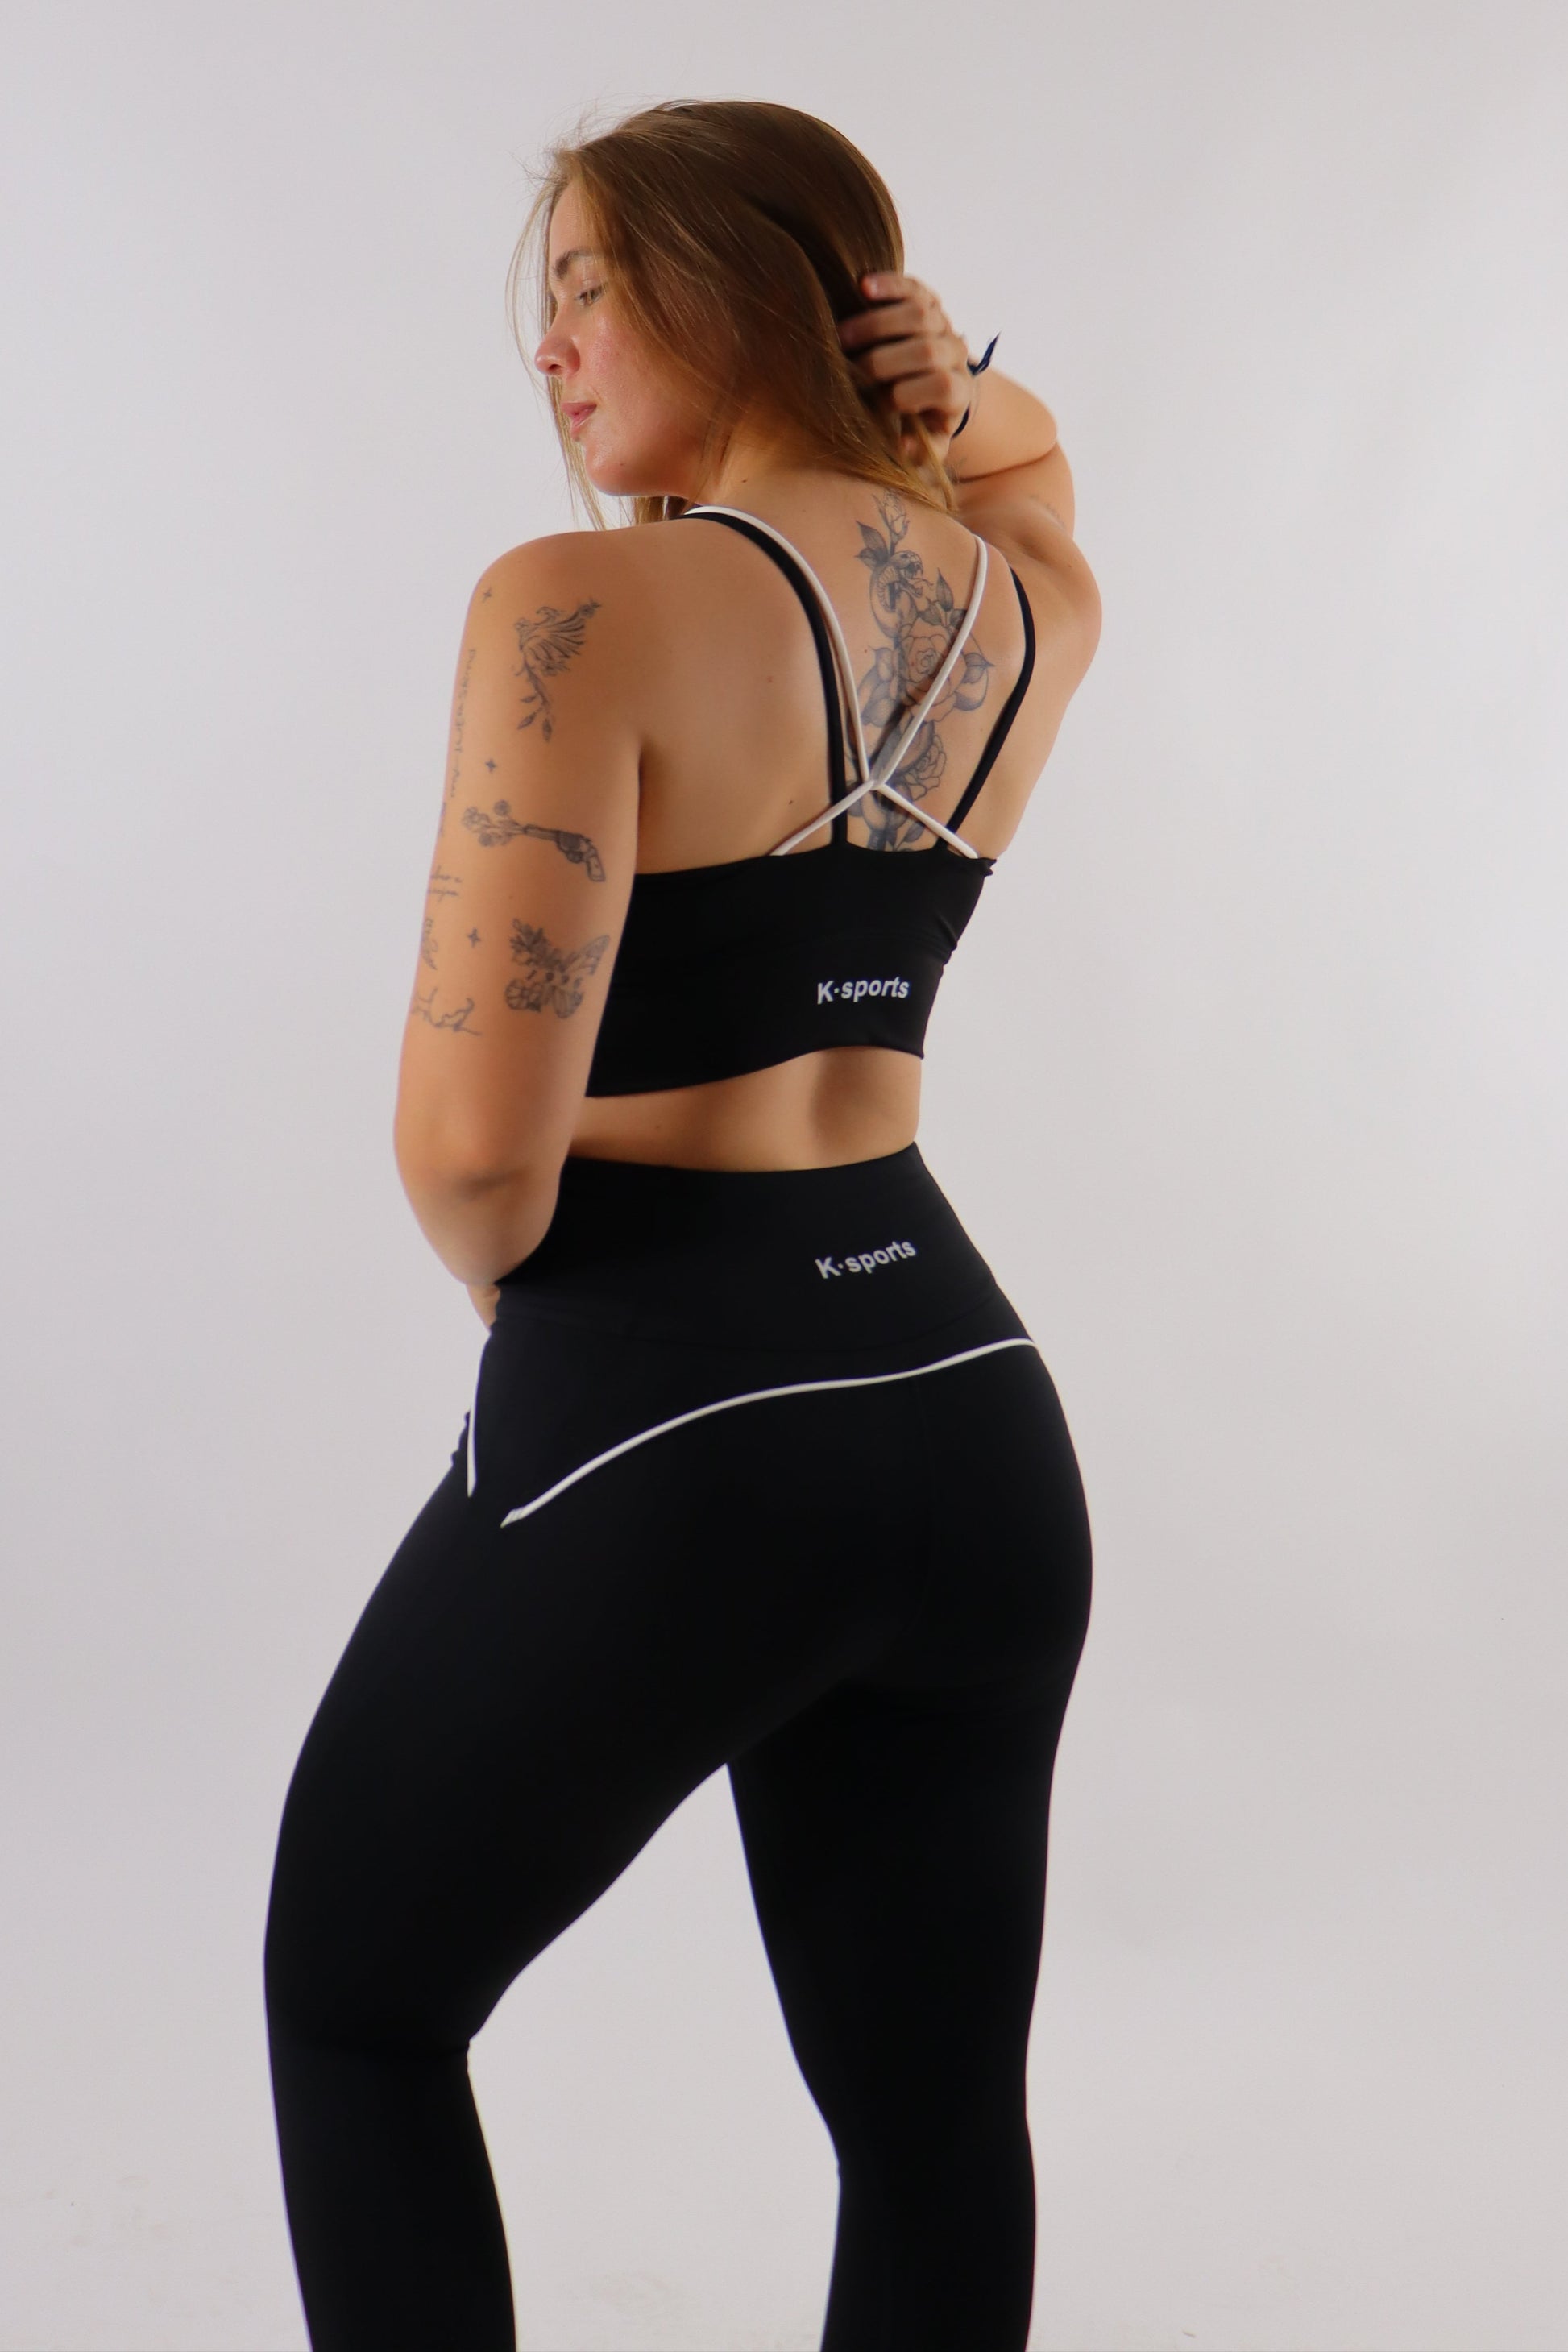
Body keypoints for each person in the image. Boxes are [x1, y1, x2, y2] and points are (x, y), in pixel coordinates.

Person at [263, 97, 1101, 2352]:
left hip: (672, 1405)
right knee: (930, 2121)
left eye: (587, 289)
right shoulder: (1025, 611)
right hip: (967, 1407)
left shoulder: (581, 606)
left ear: (734, 292)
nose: (548, 351)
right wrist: (943, 382)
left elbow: (473, 1151)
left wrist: (526, 1304)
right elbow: (1032, 472)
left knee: (355, 2005)